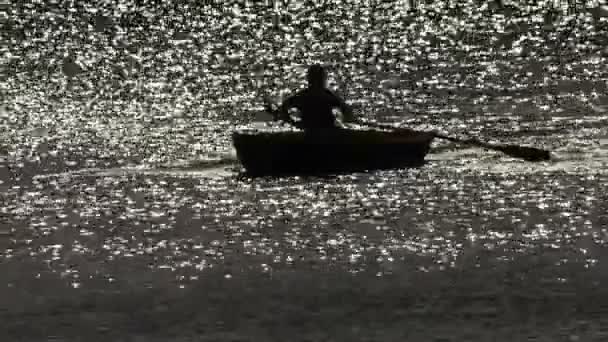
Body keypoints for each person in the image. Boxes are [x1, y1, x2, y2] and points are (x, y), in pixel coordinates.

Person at [277, 64, 355, 130]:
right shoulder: (327, 96)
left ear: (309, 79)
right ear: (323, 79)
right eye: (323, 77)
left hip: (310, 131)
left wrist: (294, 123)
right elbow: (346, 110)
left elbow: (284, 107)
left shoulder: (303, 95)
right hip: (326, 132)